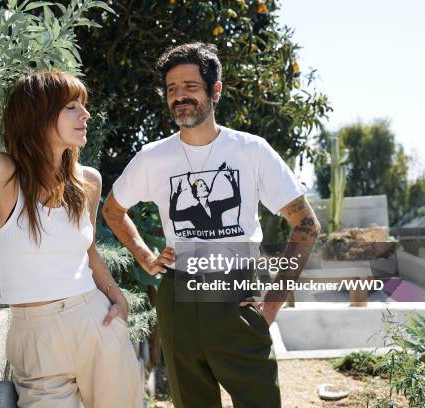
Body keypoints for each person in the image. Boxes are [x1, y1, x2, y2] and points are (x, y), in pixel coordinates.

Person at [102, 42, 321, 408]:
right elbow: (112, 210)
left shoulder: (251, 151)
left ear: (214, 90)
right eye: (172, 89)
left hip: (237, 293)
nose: (180, 97)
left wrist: (271, 305)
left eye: (190, 87)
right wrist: (144, 255)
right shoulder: (153, 158)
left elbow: (307, 225)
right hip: (178, 299)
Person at [0, 71, 143, 408]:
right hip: (35, 333)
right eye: (72, 107)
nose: (85, 114)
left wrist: (118, 299)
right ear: (39, 115)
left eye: (84, 106)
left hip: (96, 320)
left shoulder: (88, 181)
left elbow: (88, 253)